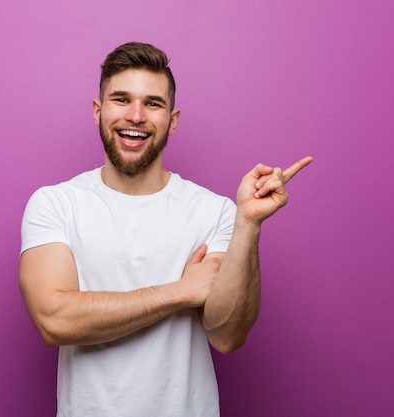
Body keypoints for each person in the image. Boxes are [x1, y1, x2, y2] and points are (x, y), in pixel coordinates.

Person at [19, 42, 312, 417]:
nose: (136, 115)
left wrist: (249, 224)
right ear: (98, 111)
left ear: (172, 120)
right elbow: (54, 320)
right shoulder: (55, 204)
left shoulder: (216, 211)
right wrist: (179, 292)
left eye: (153, 103)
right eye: (121, 100)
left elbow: (227, 336)